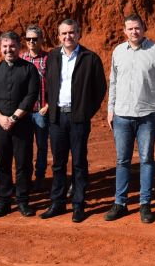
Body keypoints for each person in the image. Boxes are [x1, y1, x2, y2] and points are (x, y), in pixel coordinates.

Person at [106, 13, 155, 224]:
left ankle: (145, 204)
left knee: (146, 160)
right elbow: (113, 82)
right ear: (124, 31)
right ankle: (120, 203)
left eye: (137, 28)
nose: (134, 32)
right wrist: (110, 109)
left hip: (147, 115)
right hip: (122, 115)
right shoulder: (118, 51)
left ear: (144, 28)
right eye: (130, 28)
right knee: (122, 160)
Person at [40, 19, 106, 223]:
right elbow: (48, 85)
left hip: (78, 118)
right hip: (57, 117)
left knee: (78, 162)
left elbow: (100, 89)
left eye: (71, 33)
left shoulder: (90, 58)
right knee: (58, 163)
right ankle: (58, 202)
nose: (68, 37)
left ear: (79, 33)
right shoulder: (52, 57)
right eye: (64, 33)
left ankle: (78, 204)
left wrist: (86, 112)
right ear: (58, 36)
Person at [0, 31, 40, 218]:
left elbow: (31, 95)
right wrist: (0, 118)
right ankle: (4, 202)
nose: (9, 50)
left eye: (12, 46)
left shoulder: (29, 69)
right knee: (3, 164)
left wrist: (14, 118)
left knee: (23, 163)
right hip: (0, 124)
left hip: (22, 124)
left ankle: (23, 201)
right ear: (0, 48)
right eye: (5, 46)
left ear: (19, 46)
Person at [20, 25, 50, 191]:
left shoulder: (48, 59)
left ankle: (40, 178)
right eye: (28, 39)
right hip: (24, 112)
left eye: (35, 39)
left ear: (41, 40)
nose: (31, 41)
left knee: (42, 146)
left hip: (41, 111)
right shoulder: (22, 58)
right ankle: (26, 178)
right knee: (25, 147)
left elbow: (55, 83)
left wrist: (48, 105)